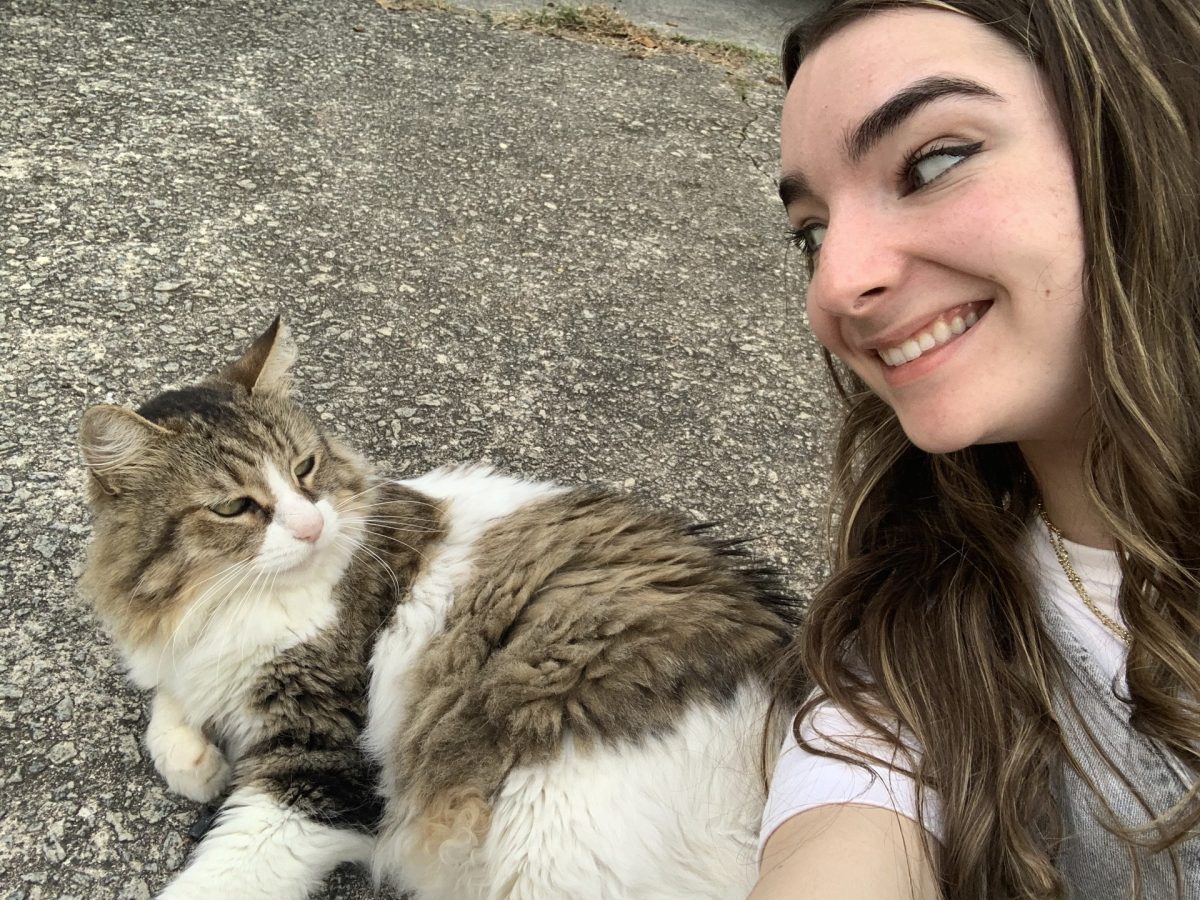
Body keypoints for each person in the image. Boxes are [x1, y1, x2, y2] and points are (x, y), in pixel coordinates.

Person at [751, 1, 1200, 898]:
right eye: (813, 231)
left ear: (1146, 138)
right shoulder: (915, 647)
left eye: (934, 162)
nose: (838, 284)